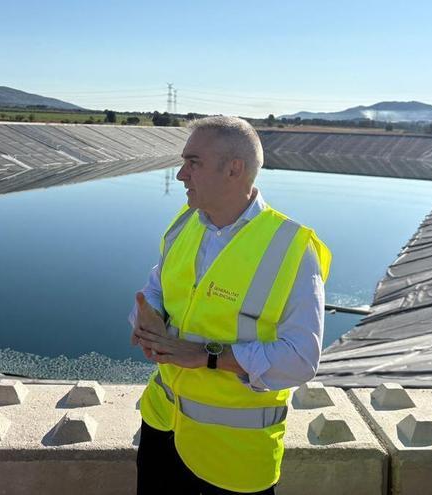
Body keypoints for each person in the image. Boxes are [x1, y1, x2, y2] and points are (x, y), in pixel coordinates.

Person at [129, 116, 331, 494]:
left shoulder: (291, 248)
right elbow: (155, 289)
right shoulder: (184, 224)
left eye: (193, 163)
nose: (180, 175)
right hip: (160, 426)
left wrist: (207, 356)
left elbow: (301, 359)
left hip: (233, 459)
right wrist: (148, 321)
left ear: (234, 169)